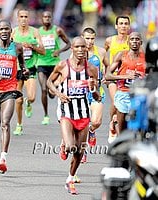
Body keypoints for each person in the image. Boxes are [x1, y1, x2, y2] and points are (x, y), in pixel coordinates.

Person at [47, 36, 100, 195]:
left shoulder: (91, 69)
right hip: (67, 113)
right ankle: (65, 145)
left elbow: (96, 96)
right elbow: (49, 82)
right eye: (77, 47)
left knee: (79, 151)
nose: (80, 50)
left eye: (83, 47)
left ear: (87, 49)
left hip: (84, 114)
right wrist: (58, 93)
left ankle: (70, 179)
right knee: (71, 146)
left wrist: (93, 89)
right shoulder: (63, 66)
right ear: (72, 49)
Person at [0, 20, 28, 174]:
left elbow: (23, 66)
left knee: (5, 123)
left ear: (10, 31)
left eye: (6, 29)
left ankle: (3, 159)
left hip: (9, 89)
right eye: (1, 29)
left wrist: (25, 72)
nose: (4, 31)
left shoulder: (17, 48)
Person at [11, 9, 45, 135]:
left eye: (26, 16)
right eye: (21, 16)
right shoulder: (13, 32)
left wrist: (32, 46)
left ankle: (28, 103)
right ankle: (19, 125)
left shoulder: (34, 32)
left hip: (30, 69)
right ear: (17, 18)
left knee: (31, 97)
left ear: (29, 18)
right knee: (18, 100)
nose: (24, 19)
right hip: (17, 69)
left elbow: (43, 51)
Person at [105, 32, 146, 134]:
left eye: (137, 39)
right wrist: (126, 76)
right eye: (132, 39)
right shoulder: (121, 55)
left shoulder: (145, 58)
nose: (134, 41)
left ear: (141, 42)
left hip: (138, 95)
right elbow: (108, 76)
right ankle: (115, 126)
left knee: (139, 128)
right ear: (128, 42)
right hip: (123, 94)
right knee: (122, 129)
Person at [37, 11, 71, 125]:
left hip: (54, 64)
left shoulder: (58, 30)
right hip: (41, 63)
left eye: (49, 17)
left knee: (52, 92)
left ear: (51, 18)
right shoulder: (37, 32)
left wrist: (59, 51)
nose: (47, 19)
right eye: (44, 17)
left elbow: (68, 43)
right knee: (43, 89)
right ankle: (46, 115)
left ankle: (53, 92)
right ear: (41, 19)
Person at [80, 27, 106, 163]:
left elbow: (108, 67)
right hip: (81, 93)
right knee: (83, 124)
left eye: (92, 39)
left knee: (96, 122)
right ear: (82, 37)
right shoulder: (77, 53)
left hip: (97, 91)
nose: (89, 41)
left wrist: (106, 77)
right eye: (87, 38)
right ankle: (83, 151)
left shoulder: (101, 52)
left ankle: (92, 130)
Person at [104, 15, 131, 143]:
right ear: (116, 26)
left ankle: (120, 124)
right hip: (113, 76)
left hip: (127, 78)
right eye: (121, 23)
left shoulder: (132, 40)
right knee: (115, 102)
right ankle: (112, 126)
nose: (123, 26)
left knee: (124, 106)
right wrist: (104, 73)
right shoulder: (110, 40)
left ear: (129, 26)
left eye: (126, 23)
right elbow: (102, 56)